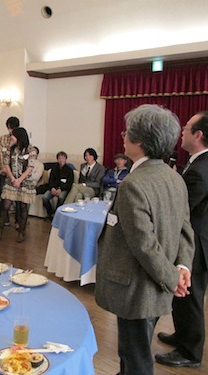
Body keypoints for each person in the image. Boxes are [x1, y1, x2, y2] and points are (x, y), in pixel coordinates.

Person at [95, 104, 195, 375]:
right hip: (158, 283)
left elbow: (144, 245)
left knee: (136, 354)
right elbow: (187, 230)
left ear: (139, 141)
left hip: (137, 287)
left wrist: (174, 279)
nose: (122, 136)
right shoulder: (175, 178)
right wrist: (182, 268)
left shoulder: (133, 184)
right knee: (135, 347)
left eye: (127, 132)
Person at [155, 111, 208, 368]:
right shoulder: (196, 162)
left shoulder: (200, 169)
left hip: (197, 243)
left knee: (191, 296)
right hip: (194, 240)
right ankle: (182, 335)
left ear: (198, 135)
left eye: (187, 128)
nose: (182, 132)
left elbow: (182, 210)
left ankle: (191, 352)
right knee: (183, 296)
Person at [0, 127, 37, 243]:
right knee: (5, 206)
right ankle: (0, 230)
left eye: (13, 136)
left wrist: (19, 180)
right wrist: (13, 179)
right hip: (11, 181)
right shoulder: (11, 149)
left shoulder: (31, 150)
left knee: (23, 207)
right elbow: (6, 164)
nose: (11, 138)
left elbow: (30, 167)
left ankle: (22, 232)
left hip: (25, 182)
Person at [0, 116, 20, 227]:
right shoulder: (3, 138)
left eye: (13, 128)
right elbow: (1, 155)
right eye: (9, 128)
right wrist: (2, 169)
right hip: (5, 172)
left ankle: (18, 221)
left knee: (18, 198)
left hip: (17, 174)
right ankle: (4, 219)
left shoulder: (20, 138)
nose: (11, 131)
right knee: (3, 193)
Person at [41, 151, 74, 218]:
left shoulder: (69, 170)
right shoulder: (54, 169)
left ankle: (57, 213)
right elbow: (50, 181)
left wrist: (61, 189)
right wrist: (52, 188)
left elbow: (69, 183)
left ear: (65, 159)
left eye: (63, 158)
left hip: (63, 189)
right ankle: (50, 213)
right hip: (53, 188)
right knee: (44, 197)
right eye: (59, 158)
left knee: (61, 197)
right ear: (57, 159)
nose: (61, 160)